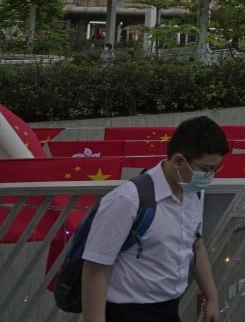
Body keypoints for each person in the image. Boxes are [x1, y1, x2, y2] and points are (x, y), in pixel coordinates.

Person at [82, 115, 229, 322]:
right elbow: (95, 268)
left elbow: (196, 245)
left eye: (215, 170)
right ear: (178, 161)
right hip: (128, 311)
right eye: (205, 170)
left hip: (169, 308)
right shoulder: (127, 199)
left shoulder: (194, 193)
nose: (209, 177)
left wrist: (211, 297)